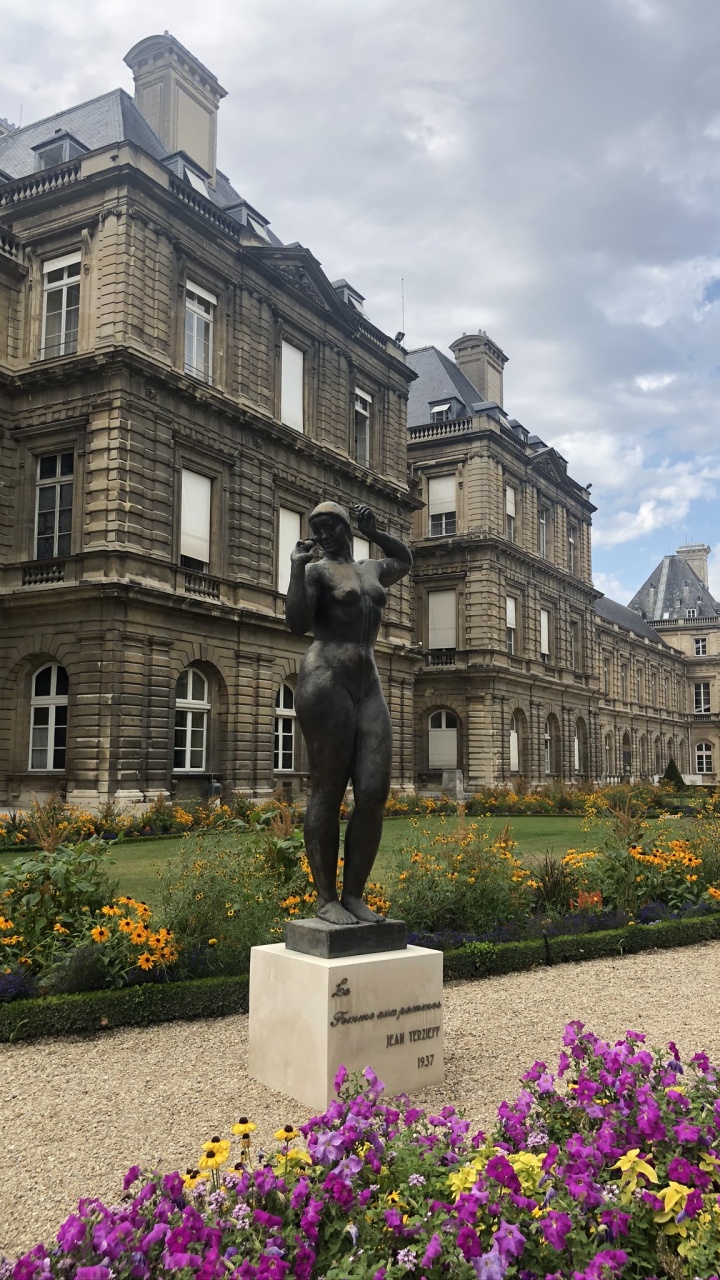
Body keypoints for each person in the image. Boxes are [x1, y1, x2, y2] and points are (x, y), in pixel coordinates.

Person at [285, 501, 412, 925]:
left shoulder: (371, 569)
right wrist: (295, 569)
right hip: (326, 677)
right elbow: (296, 623)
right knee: (328, 787)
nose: (322, 535)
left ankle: (354, 895)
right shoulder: (316, 572)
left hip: (367, 680)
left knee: (374, 791)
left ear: (345, 527)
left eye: (329, 526)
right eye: (315, 528)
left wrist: (376, 531)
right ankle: (327, 899)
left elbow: (405, 560)